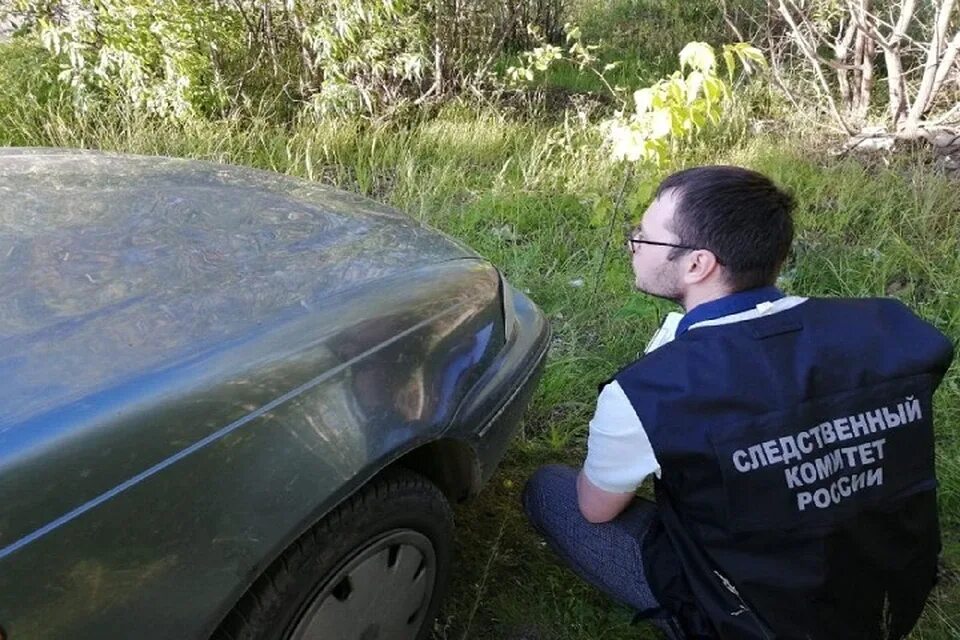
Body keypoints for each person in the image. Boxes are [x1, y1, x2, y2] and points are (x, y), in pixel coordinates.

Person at [523, 165, 955, 639]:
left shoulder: (652, 390)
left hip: (756, 616)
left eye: (643, 238)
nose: (633, 246)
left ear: (697, 265)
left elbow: (596, 510)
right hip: (884, 586)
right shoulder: (887, 329)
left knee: (551, 490)